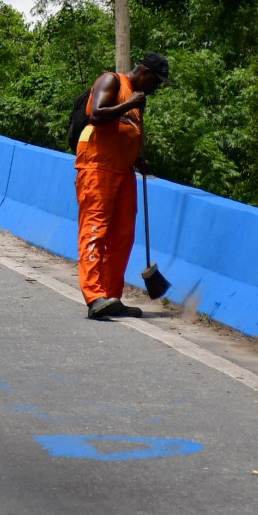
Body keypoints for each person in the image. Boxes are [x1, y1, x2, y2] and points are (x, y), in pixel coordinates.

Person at [74, 52, 170, 319]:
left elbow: (122, 132)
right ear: (146, 72)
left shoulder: (137, 100)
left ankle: (112, 296)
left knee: (122, 237)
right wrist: (128, 104)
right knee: (95, 231)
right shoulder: (112, 81)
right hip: (98, 168)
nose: (157, 87)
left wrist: (137, 158)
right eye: (158, 81)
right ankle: (94, 298)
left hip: (124, 171)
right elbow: (96, 115)